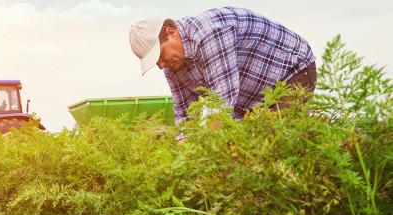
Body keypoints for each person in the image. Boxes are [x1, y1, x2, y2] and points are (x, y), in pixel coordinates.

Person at [129, 7, 317, 140]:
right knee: (243, 150)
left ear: (171, 33)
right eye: (156, 62)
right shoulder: (173, 66)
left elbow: (222, 101)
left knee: (278, 144)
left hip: (290, 72)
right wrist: (183, 146)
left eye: (160, 55)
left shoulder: (209, 33)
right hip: (249, 98)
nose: (161, 65)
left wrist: (203, 151)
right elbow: (185, 113)